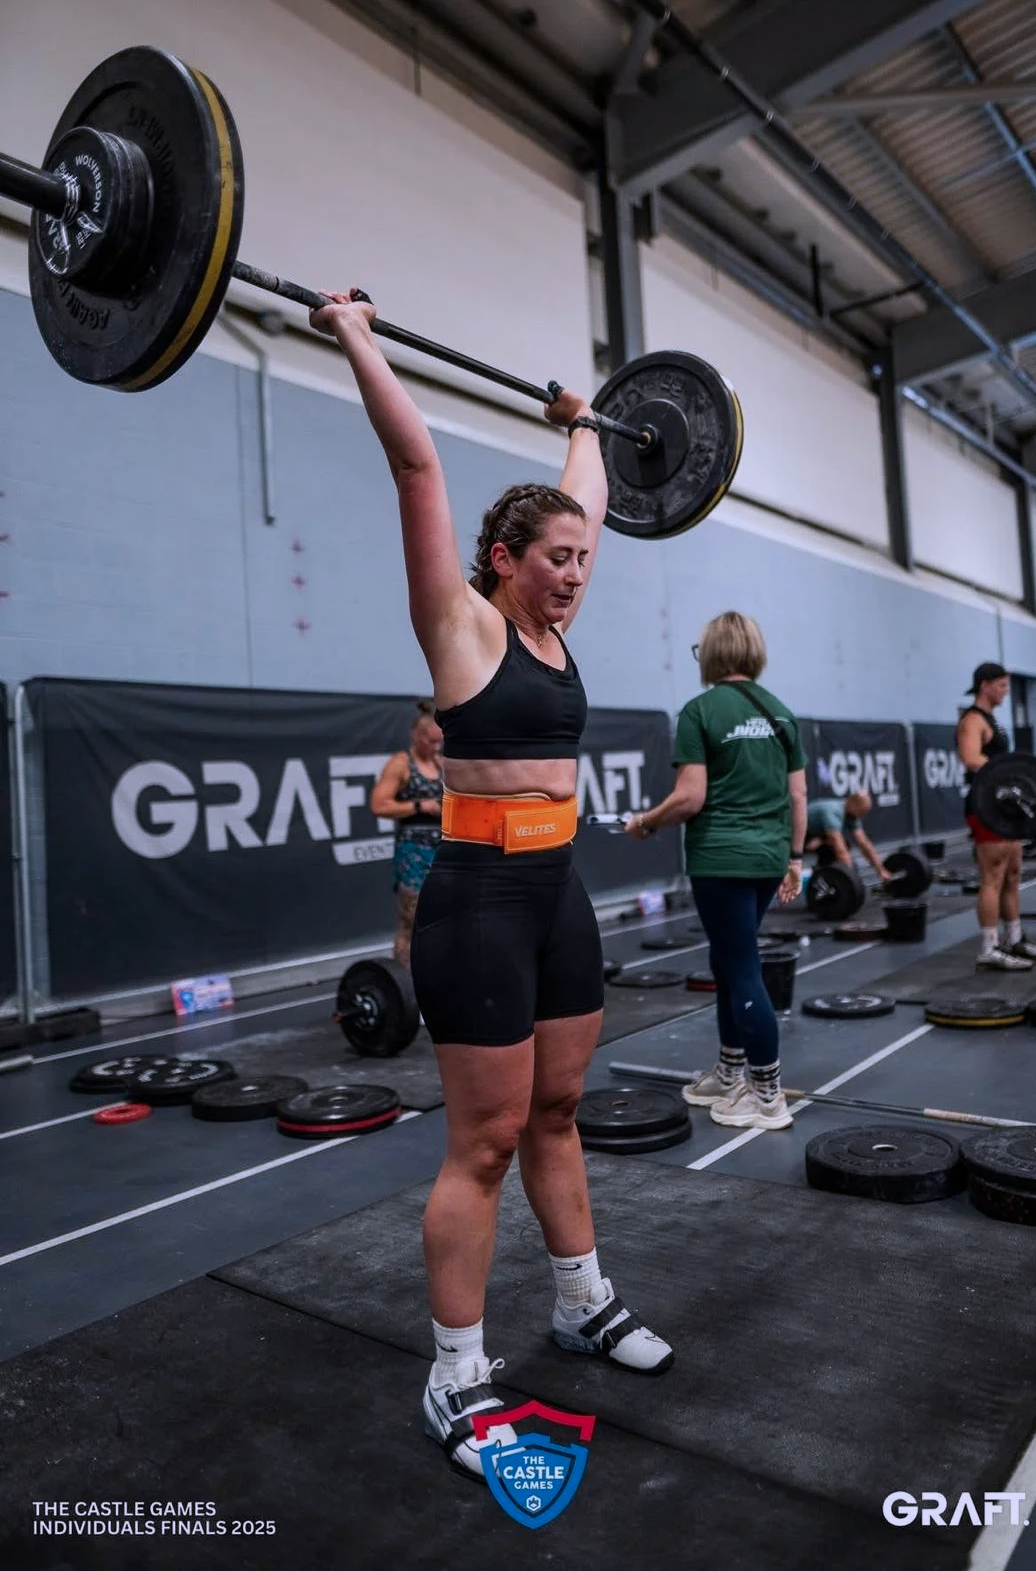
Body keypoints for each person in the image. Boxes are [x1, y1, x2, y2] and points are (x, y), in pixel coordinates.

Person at [310, 287, 672, 1484]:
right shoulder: (461, 627)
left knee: (559, 1114)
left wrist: (584, 420)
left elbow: (595, 490)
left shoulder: (563, 601)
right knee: (486, 1138)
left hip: (558, 896)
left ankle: (580, 1301)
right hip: (471, 901)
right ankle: (454, 1374)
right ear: (503, 560)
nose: (573, 575)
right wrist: (357, 336)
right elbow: (416, 466)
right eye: (552, 560)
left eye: (581, 560)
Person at [625, 612, 807, 1131]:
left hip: (721, 859)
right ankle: (730, 1073)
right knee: (729, 960)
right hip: (769, 858)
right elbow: (798, 795)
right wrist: (795, 858)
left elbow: (690, 797)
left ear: (711, 653)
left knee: (741, 965)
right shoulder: (782, 714)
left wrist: (646, 823)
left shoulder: (700, 710)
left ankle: (767, 1094)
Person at [957, 661, 1036, 971]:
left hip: (1004, 809)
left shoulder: (993, 720)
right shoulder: (972, 720)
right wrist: (1007, 775)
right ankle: (989, 947)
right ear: (985, 685)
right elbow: (971, 758)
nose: (1005, 691)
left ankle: (1014, 939)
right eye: (1001, 685)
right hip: (985, 807)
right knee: (993, 876)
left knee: (1013, 874)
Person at [370, 700, 443, 970]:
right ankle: (405, 987)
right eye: (430, 741)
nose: (435, 748)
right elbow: (379, 805)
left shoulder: (441, 764)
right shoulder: (401, 764)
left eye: (439, 742)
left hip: (443, 853)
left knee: (443, 918)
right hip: (413, 854)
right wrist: (418, 806)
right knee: (412, 921)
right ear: (416, 735)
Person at [804, 791, 893, 883]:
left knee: (840, 846)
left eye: (864, 813)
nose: (862, 816)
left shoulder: (852, 814)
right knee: (837, 847)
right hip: (797, 834)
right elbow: (839, 849)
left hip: (815, 834)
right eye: (862, 812)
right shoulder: (834, 812)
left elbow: (864, 844)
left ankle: (823, 878)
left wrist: (881, 870)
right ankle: (820, 879)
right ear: (853, 804)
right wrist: (851, 877)